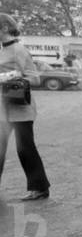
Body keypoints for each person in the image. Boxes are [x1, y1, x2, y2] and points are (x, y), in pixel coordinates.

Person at [0, 13, 50, 201]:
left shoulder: (18, 50)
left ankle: (40, 188)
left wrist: (8, 77)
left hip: (21, 110)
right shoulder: (2, 50)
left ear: (4, 28)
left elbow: (34, 78)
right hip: (3, 111)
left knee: (25, 149)